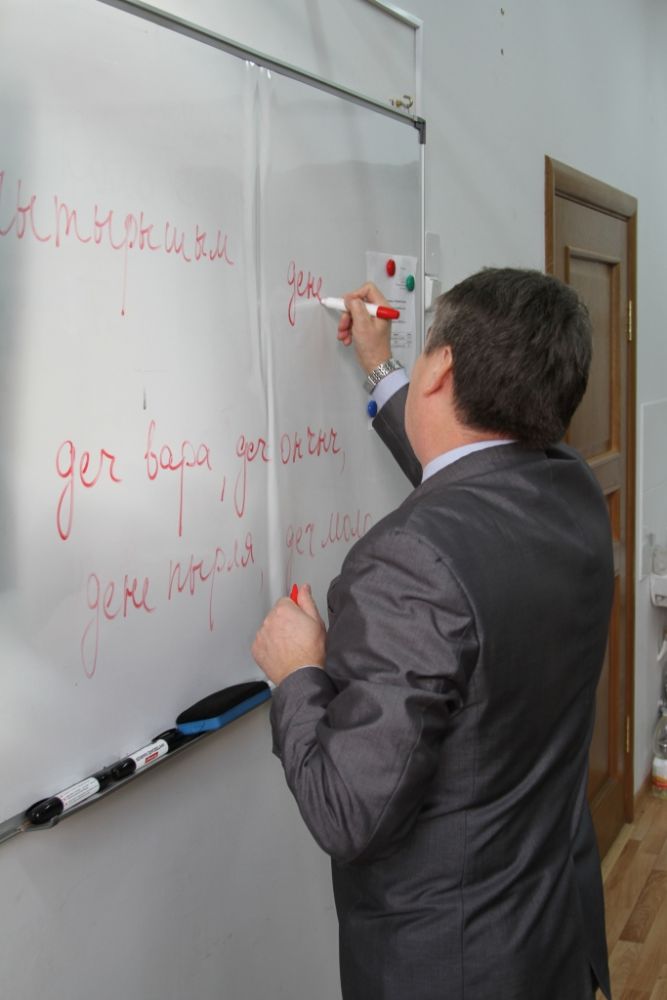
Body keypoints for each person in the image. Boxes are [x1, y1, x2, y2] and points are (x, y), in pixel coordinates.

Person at [252, 268, 613, 1000]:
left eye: (421, 355)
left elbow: (349, 813)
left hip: (453, 968)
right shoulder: (571, 484)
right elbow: (471, 475)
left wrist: (298, 675)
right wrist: (380, 368)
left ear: (441, 368)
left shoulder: (408, 563)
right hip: (551, 936)